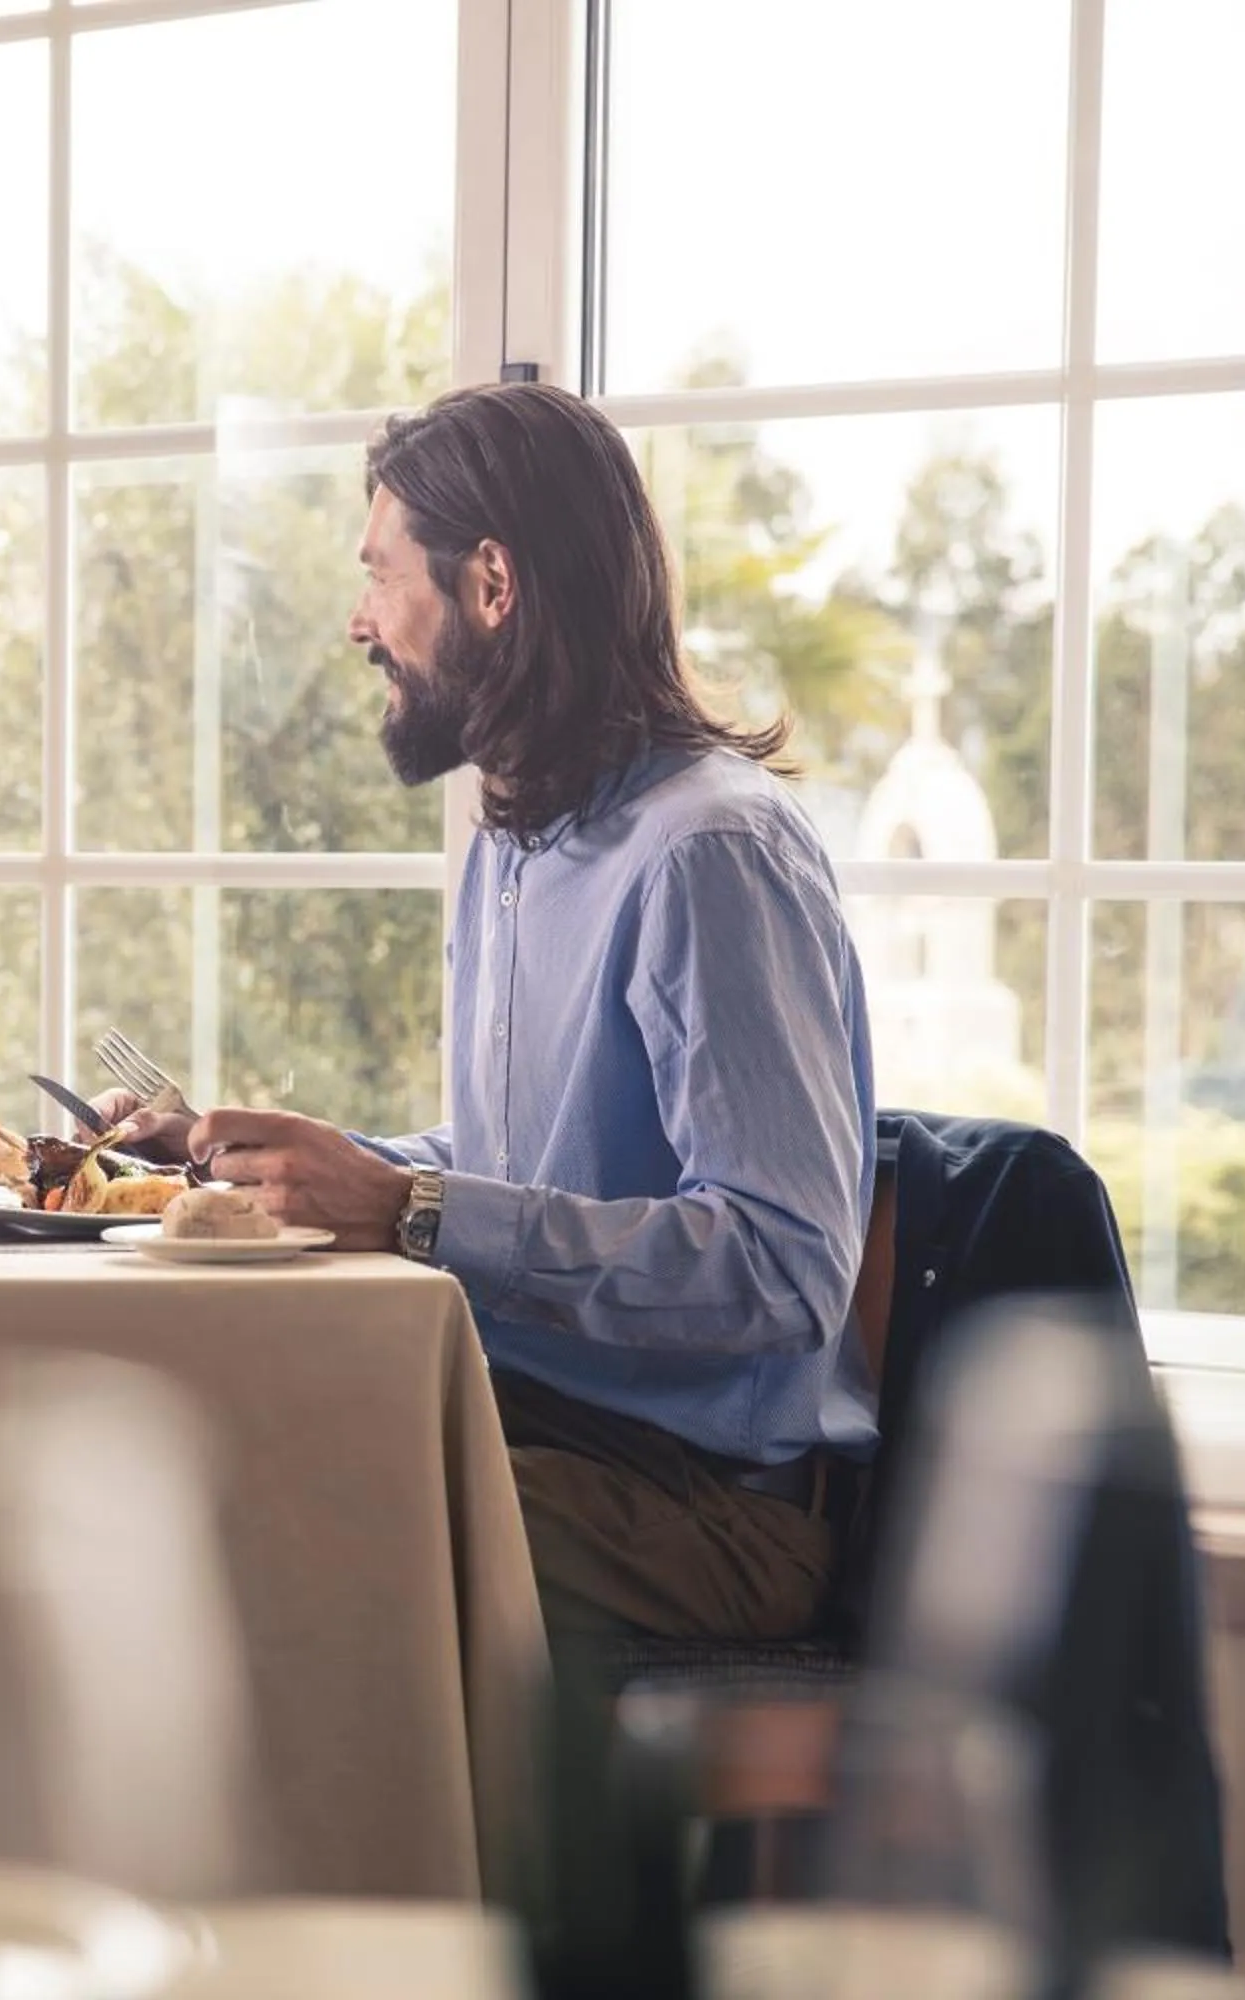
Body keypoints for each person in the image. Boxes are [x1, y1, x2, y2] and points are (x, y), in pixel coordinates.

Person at [109, 382, 878, 1644]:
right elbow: (534, 1174)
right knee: (160, 1452)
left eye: (380, 575)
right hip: (530, 1428)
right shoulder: (515, 841)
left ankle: (394, 1855)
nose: (358, 623)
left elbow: (784, 1267)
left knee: (256, 1526)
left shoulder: (710, 853)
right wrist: (293, 1166)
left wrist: (410, 1209)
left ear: (494, 585)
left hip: (702, 1508)